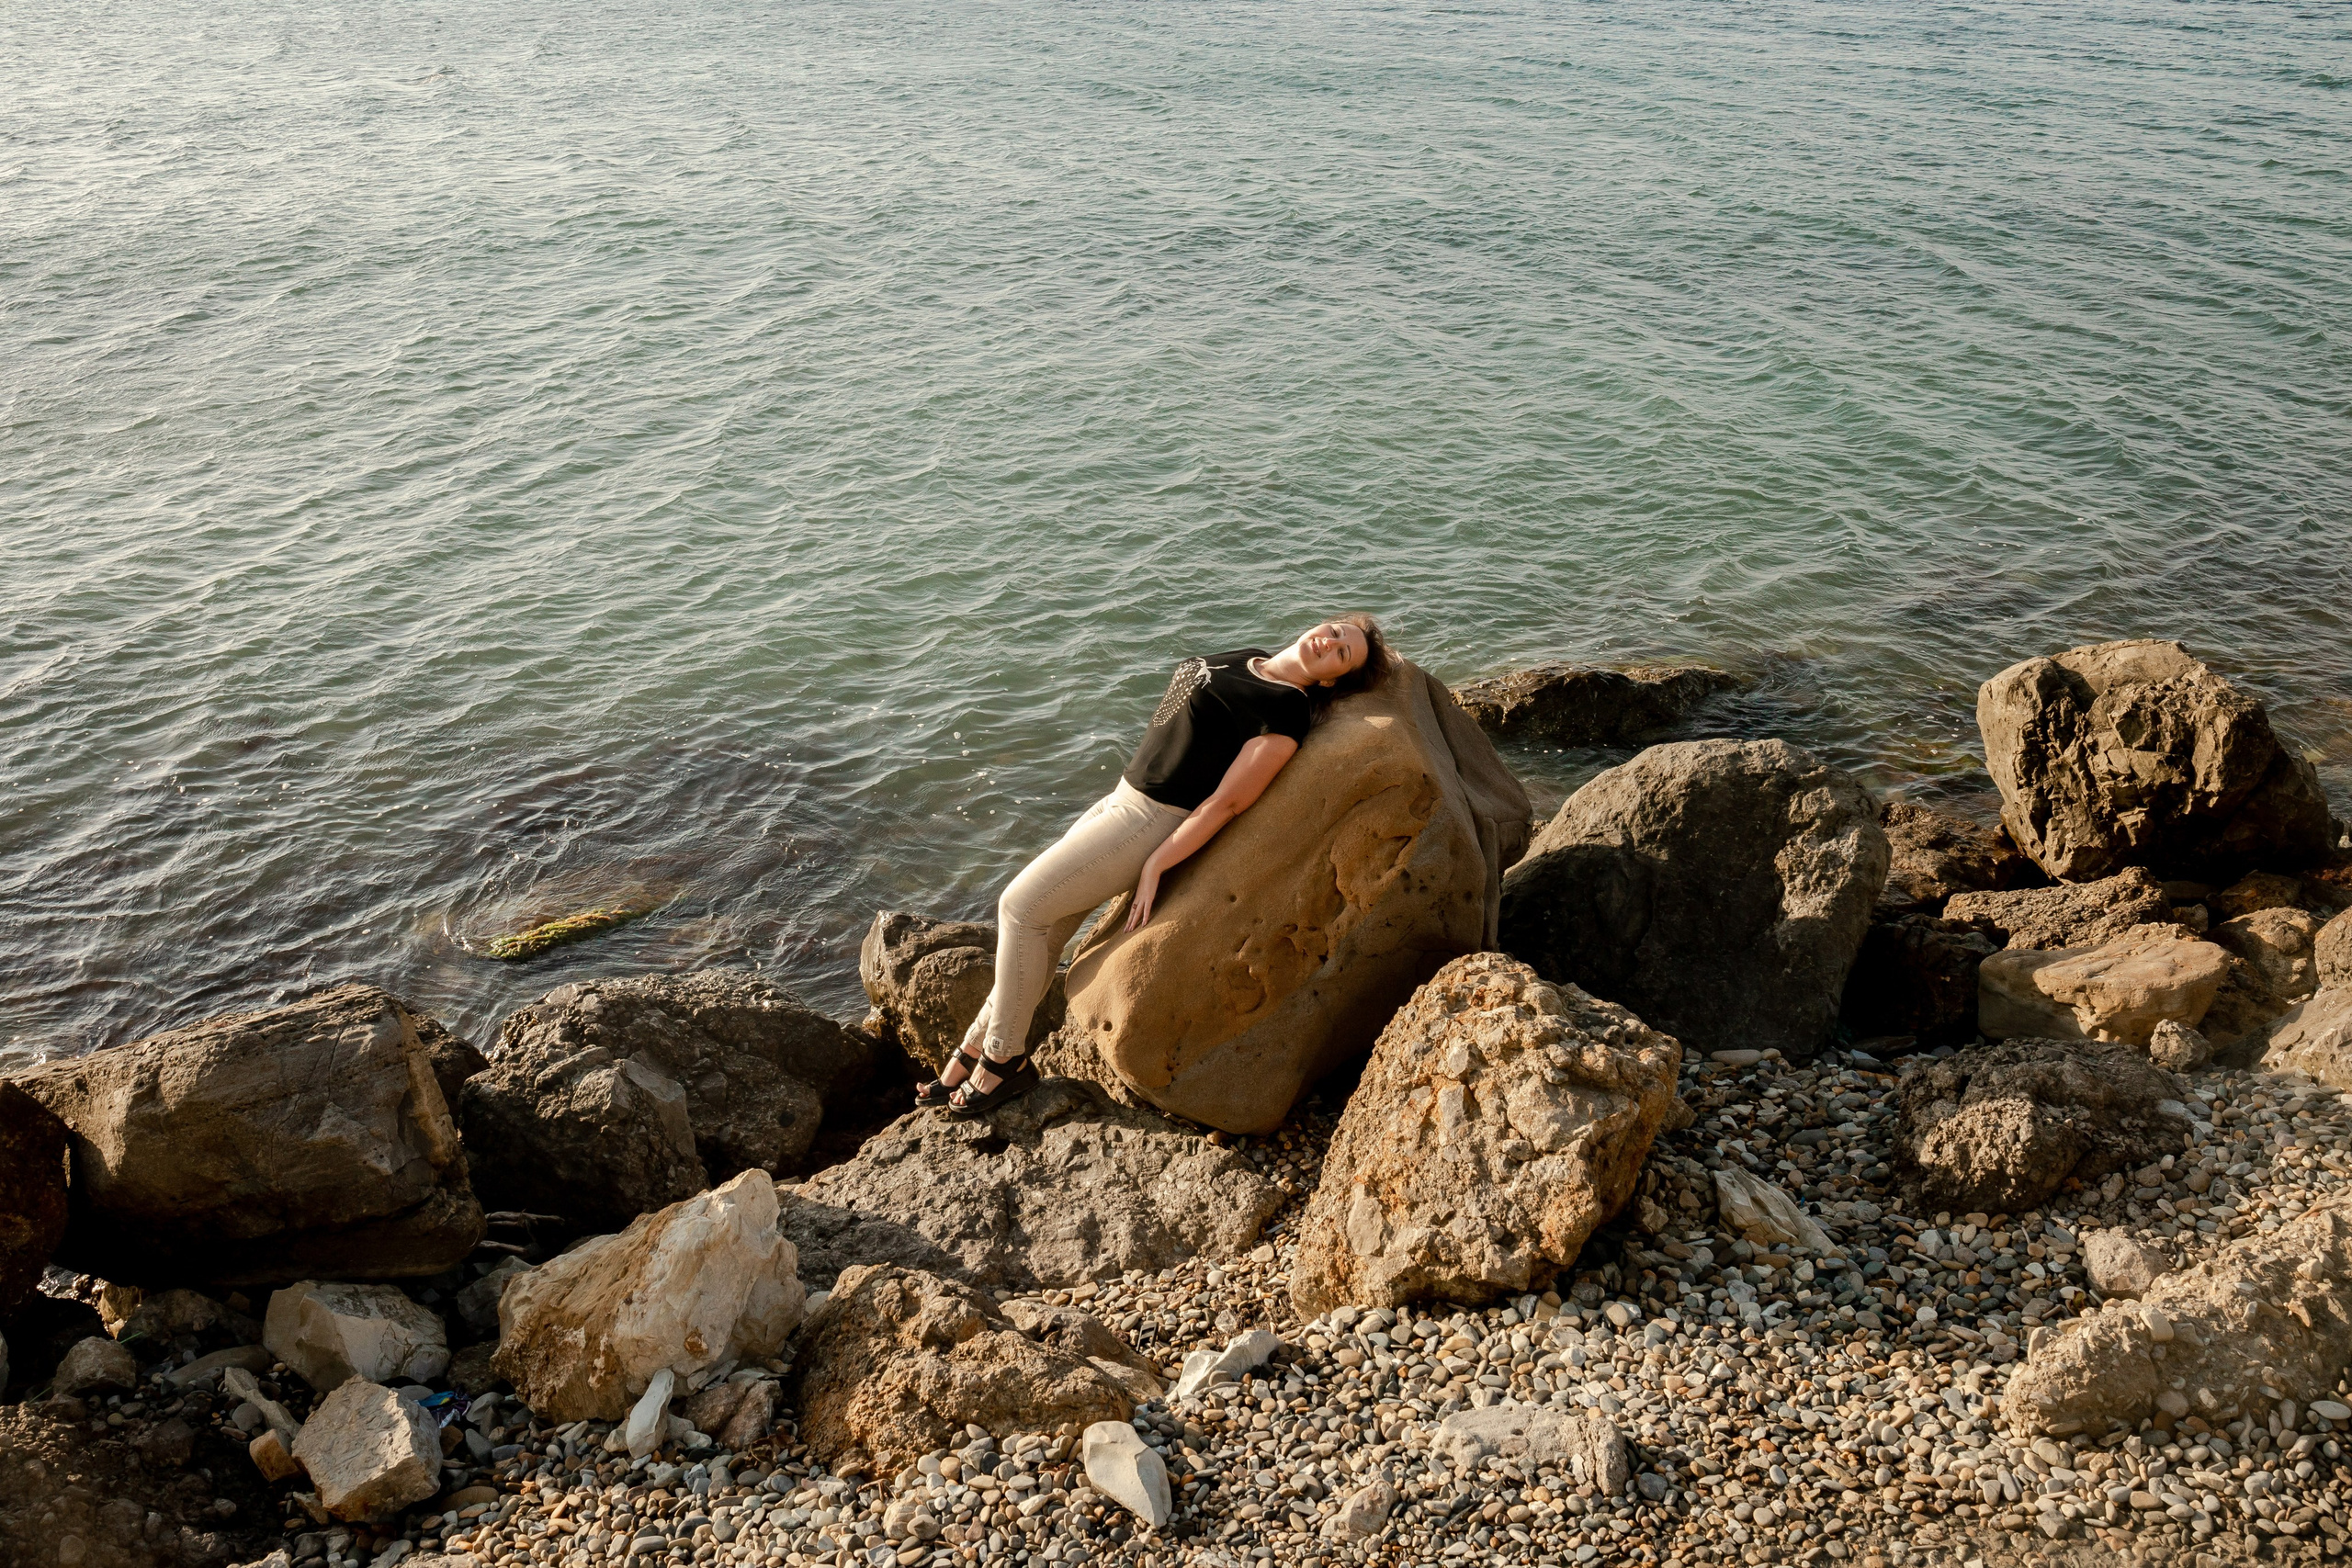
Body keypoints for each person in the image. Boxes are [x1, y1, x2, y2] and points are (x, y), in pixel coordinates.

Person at [920, 615, 1394, 1116]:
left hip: (1148, 820)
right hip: (1118, 800)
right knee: (1045, 931)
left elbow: (1228, 803)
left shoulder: (1287, 712)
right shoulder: (1250, 658)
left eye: (1344, 653)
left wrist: (1156, 864)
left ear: (1330, 680)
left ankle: (1004, 1060)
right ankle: (976, 1047)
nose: (1331, 641)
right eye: (1337, 630)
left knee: (1018, 907)